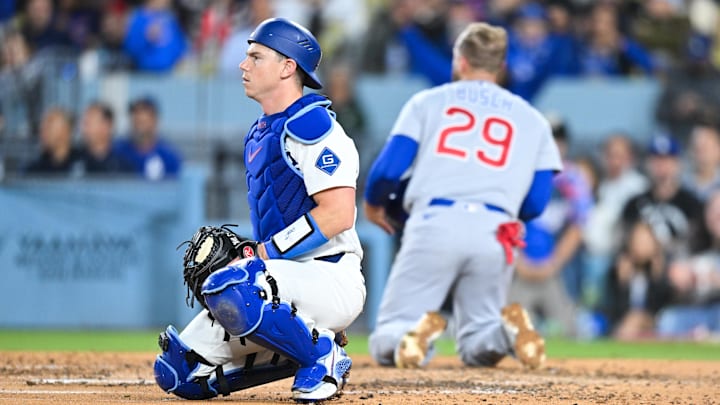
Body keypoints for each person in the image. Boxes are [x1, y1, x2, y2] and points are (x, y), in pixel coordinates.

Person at [153, 18, 366, 402]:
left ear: (288, 67)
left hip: (330, 276)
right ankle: (301, 342)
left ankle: (322, 356)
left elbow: (338, 214)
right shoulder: (262, 131)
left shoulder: (313, 126)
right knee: (178, 371)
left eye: (255, 56)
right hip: (283, 282)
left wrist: (263, 253)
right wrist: (256, 252)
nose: (242, 64)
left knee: (235, 284)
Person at [363, 22, 562, 370]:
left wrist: (374, 203)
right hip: (497, 232)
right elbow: (535, 204)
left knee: (387, 336)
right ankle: (504, 333)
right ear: (501, 67)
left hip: (435, 221)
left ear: (460, 61)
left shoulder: (427, 102)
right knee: (477, 339)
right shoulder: (534, 120)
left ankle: (412, 334)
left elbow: (387, 172)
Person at [114, 94, 182, 180]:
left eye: (143, 121)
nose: (138, 123)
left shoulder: (168, 156)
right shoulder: (118, 151)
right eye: (136, 120)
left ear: (155, 120)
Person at [23, 106, 83, 176]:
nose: (42, 130)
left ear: (67, 130)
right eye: (42, 125)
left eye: (49, 125)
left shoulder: (87, 166)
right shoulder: (33, 170)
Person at [77, 101, 133, 174]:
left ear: (106, 126)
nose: (84, 128)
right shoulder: (73, 160)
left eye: (89, 123)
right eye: (84, 123)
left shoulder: (122, 166)